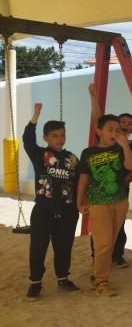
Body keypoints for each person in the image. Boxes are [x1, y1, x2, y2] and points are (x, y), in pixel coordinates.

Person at [22, 103, 80, 300]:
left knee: (64, 247)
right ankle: (35, 282)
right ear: (45, 138)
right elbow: (27, 140)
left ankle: (63, 279)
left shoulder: (72, 158)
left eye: (62, 135)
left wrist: (80, 204)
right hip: (43, 211)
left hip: (68, 212)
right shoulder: (40, 155)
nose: (59, 139)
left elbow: (80, 182)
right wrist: (36, 115)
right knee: (38, 248)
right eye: (54, 135)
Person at [76, 114, 132, 297]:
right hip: (98, 204)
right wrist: (79, 202)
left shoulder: (121, 149)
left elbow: (131, 166)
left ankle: (97, 276)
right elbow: (83, 179)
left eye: (117, 130)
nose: (114, 133)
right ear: (99, 131)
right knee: (103, 244)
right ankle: (102, 281)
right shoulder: (88, 153)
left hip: (119, 202)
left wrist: (125, 145)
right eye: (110, 129)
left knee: (110, 244)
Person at [88, 84, 132, 269]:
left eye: (130, 124)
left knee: (119, 227)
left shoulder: (131, 147)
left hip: (120, 193)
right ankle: (98, 259)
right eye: (123, 122)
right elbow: (98, 119)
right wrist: (93, 97)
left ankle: (117, 255)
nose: (126, 125)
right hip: (101, 195)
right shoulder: (106, 142)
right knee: (100, 230)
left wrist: (120, 184)